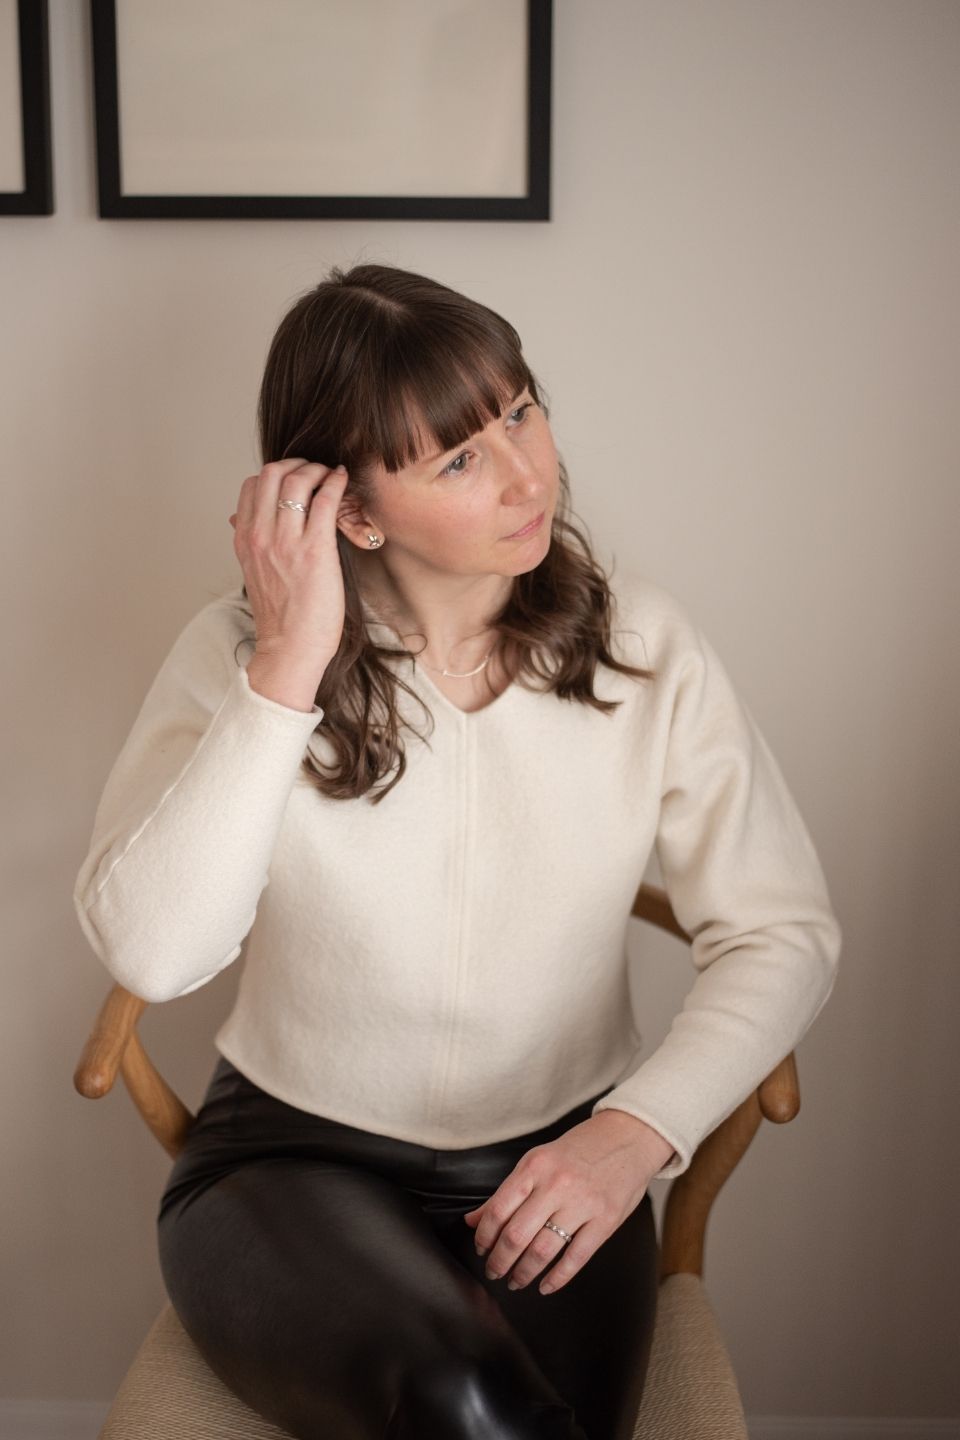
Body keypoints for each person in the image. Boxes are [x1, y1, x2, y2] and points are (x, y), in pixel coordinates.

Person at [73, 262, 842, 1440]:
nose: (532, 474)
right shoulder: (236, 653)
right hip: (288, 1169)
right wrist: (287, 670)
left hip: (564, 1164)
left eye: (521, 410)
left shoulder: (643, 643)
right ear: (352, 509)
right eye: (461, 459)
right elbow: (156, 951)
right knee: (466, 1403)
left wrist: (635, 1136)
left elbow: (784, 931)